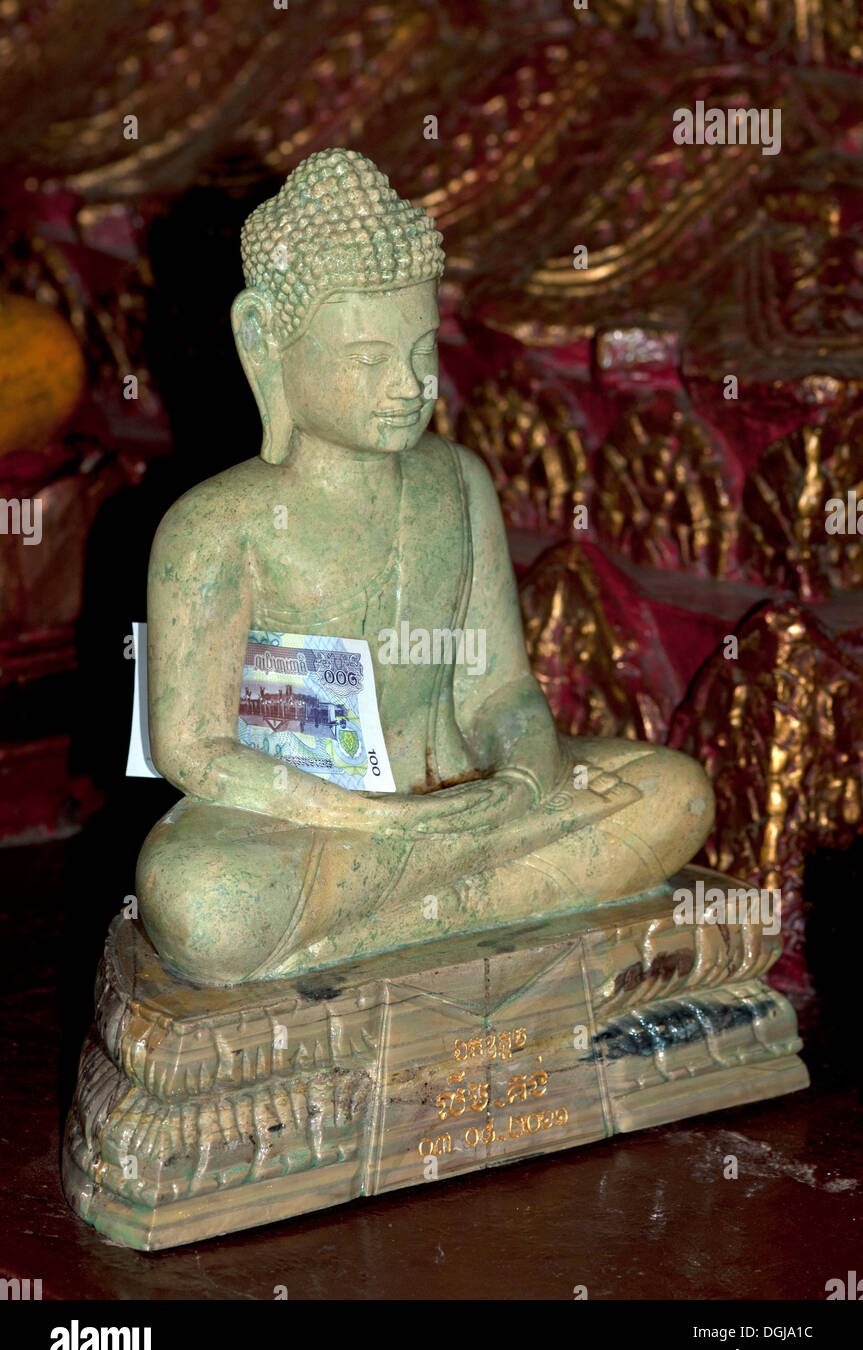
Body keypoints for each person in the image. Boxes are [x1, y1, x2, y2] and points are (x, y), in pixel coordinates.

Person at [136, 149, 713, 984]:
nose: (408, 384)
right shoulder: (216, 526)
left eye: (421, 348)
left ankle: (362, 937)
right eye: (368, 359)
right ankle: (456, 906)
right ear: (264, 343)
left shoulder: (458, 480)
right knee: (206, 906)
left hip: (467, 793)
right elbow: (192, 749)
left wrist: (517, 776)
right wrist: (365, 820)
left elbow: (499, 688)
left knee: (677, 793)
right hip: (308, 824)